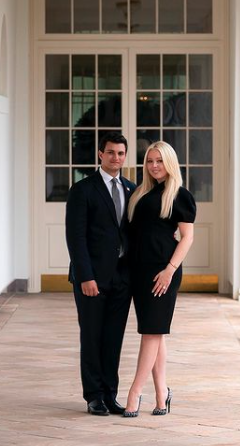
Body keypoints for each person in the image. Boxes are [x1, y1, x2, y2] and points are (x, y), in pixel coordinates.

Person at [123, 141, 196, 417]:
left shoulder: (180, 195)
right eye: (150, 161)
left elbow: (187, 237)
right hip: (140, 271)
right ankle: (162, 394)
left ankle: (134, 392)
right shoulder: (140, 193)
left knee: (151, 332)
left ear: (169, 163)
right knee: (155, 332)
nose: (154, 166)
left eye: (159, 161)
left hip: (163, 271)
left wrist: (169, 269)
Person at [65, 132, 136, 416]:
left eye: (120, 153)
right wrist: (86, 277)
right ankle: (93, 396)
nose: (115, 158)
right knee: (92, 337)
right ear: (100, 154)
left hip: (122, 278)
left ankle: (110, 394)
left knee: (113, 338)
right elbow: (75, 238)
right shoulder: (83, 190)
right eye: (110, 153)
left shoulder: (132, 189)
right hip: (91, 278)